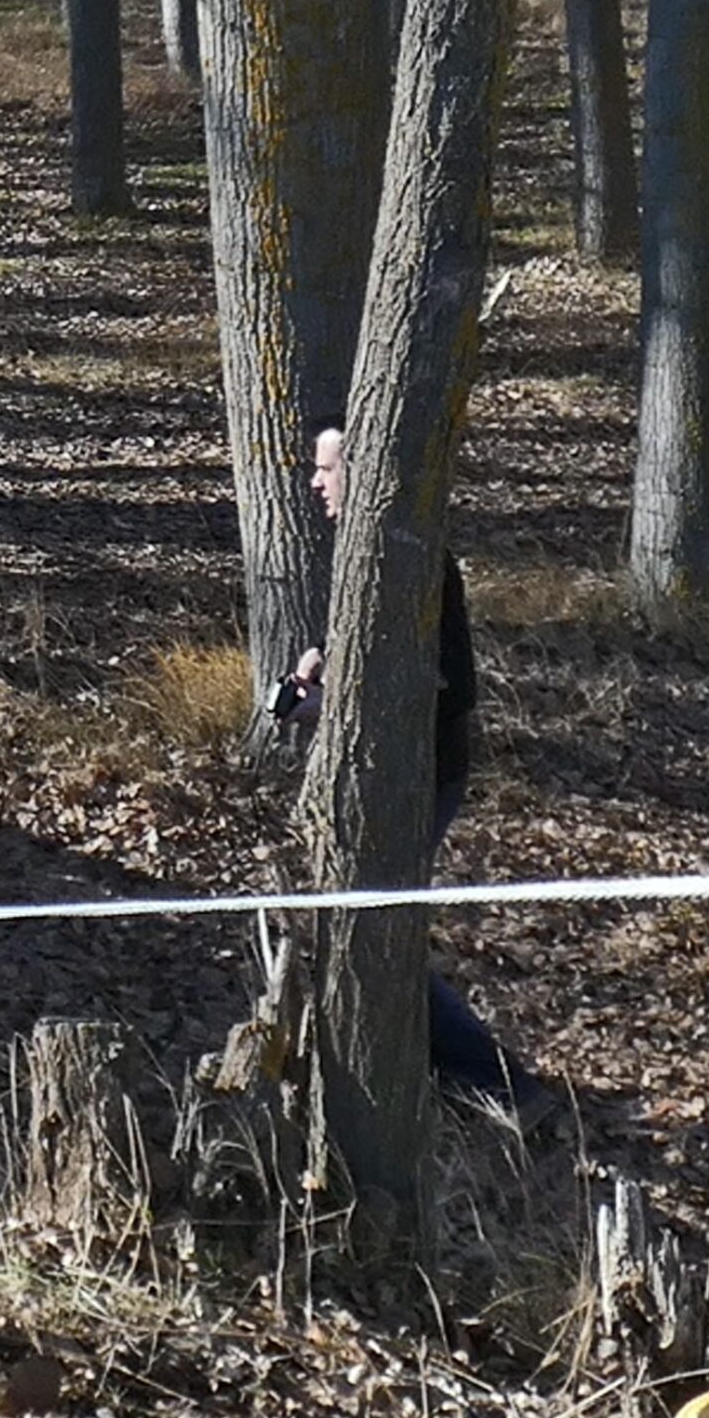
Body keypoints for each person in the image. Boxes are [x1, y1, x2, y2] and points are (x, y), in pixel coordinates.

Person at [276, 420, 556, 1132]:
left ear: (363, 471)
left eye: (328, 469)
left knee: (378, 933)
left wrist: (341, 703)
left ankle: (502, 1088)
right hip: (380, 780)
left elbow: (444, 685)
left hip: (423, 779)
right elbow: (359, 657)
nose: (315, 482)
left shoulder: (415, 557)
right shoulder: (365, 552)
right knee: (365, 928)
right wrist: (315, 673)